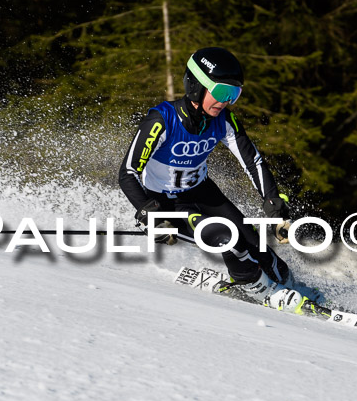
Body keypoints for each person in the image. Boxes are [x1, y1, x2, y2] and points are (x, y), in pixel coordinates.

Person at [118, 47, 302, 312]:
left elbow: (253, 161)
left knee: (257, 246)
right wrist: (147, 212)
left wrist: (272, 201)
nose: (226, 102)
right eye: (221, 93)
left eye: (233, 94)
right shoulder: (162, 120)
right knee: (227, 238)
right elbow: (128, 173)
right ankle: (254, 286)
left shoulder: (224, 121)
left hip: (203, 193)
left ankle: (293, 288)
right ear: (196, 86)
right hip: (167, 204)